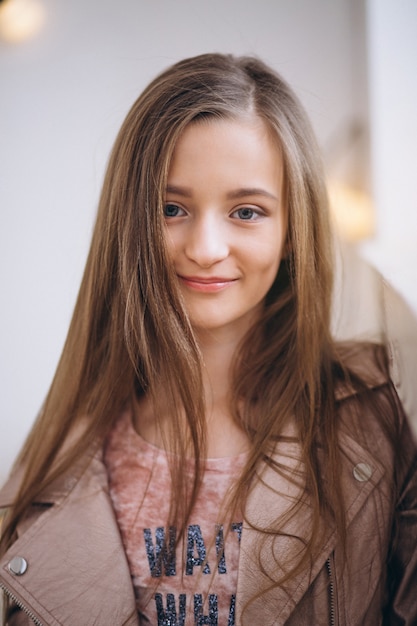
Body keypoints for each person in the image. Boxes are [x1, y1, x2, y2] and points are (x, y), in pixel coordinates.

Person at [0, 53, 416, 626]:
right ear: (131, 221)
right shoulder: (52, 465)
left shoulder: (383, 417)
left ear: (293, 229)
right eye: (172, 208)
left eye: (246, 211)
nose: (205, 247)